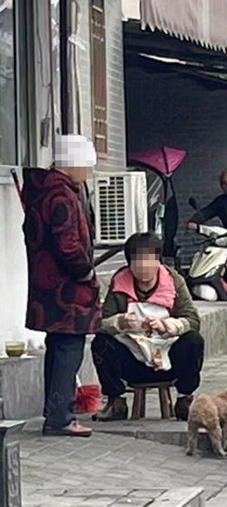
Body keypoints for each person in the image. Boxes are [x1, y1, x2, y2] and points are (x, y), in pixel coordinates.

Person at [22, 135, 100, 437]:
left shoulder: (44, 190)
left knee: (58, 350)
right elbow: (67, 244)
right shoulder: (61, 195)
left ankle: (55, 413)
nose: (89, 172)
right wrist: (85, 272)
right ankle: (60, 418)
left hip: (47, 286)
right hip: (66, 290)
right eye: (87, 165)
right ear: (71, 163)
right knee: (68, 351)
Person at [92, 232, 204, 422]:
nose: (144, 266)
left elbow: (193, 320)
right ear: (129, 264)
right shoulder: (119, 283)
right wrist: (119, 322)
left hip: (168, 357)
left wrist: (167, 326)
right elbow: (100, 323)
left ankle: (185, 399)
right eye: (138, 261)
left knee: (193, 340)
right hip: (133, 359)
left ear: (158, 260)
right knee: (101, 343)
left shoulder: (174, 281)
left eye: (149, 260)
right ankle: (116, 402)